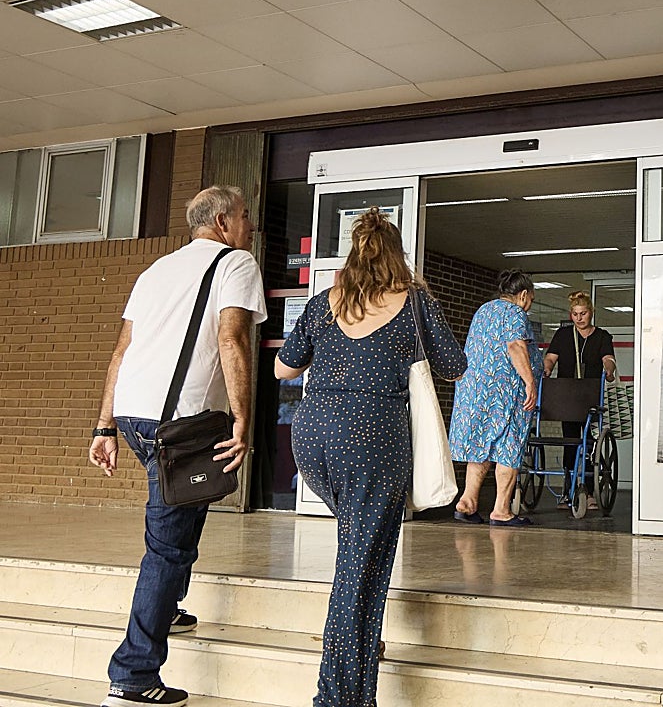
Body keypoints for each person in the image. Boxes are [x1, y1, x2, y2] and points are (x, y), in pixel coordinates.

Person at [274, 208, 465, 707]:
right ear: (397, 255)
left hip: (313, 440)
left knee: (357, 544)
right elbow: (454, 365)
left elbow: (282, 369)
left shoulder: (324, 302)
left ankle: (359, 643)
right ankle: (338, 696)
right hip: (371, 439)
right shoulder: (415, 302)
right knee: (361, 566)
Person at [88, 185, 266, 707]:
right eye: (245, 216)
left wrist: (104, 427)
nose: (251, 225)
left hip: (135, 415)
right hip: (180, 423)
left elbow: (122, 350)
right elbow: (232, 339)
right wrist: (243, 419)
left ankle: (167, 608)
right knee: (166, 547)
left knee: (185, 505)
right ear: (223, 222)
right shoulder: (236, 263)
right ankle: (133, 675)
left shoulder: (156, 270)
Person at [448, 270, 540, 527]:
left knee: (481, 443)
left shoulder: (484, 310)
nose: (529, 304)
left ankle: (467, 503)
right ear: (523, 295)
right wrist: (530, 382)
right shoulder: (515, 313)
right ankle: (501, 510)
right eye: (531, 299)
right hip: (505, 392)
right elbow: (515, 346)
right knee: (509, 445)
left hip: (475, 391)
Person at [543, 291, 617, 510]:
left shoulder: (602, 336)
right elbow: (551, 358)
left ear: (591, 313)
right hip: (566, 397)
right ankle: (568, 492)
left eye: (583, 313)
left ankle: (590, 491)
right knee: (570, 443)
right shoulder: (563, 335)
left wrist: (609, 370)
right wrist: (546, 368)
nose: (579, 318)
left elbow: (608, 358)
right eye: (575, 314)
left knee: (591, 444)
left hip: (590, 396)